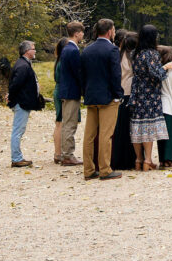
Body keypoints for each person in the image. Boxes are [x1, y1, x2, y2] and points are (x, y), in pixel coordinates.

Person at [79, 18, 122, 180]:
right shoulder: (112, 50)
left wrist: (85, 92)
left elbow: (81, 75)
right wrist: (118, 95)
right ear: (110, 31)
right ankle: (105, 169)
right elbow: (115, 75)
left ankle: (88, 169)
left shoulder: (87, 50)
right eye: (114, 30)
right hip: (108, 97)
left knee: (89, 135)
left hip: (91, 96)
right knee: (106, 134)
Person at [130, 25, 172, 171]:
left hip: (136, 92)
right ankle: (147, 161)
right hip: (149, 94)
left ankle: (138, 159)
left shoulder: (136, 53)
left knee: (137, 126)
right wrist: (165, 67)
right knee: (148, 127)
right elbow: (156, 74)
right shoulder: (152, 53)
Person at [54, 21, 84, 166]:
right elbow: (78, 72)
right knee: (70, 124)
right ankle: (68, 155)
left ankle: (67, 153)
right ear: (77, 33)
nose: (83, 35)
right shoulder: (72, 50)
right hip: (71, 91)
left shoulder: (66, 49)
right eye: (82, 32)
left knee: (67, 123)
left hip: (66, 90)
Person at [7, 40, 40, 168]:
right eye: (33, 48)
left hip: (23, 101)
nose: (35, 50)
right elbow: (15, 84)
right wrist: (11, 96)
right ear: (27, 51)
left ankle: (17, 157)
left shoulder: (24, 64)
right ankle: (16, 158)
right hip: (21, 103)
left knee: (19, 130)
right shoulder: (23, 66)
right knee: (18, 130)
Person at [110, 30, 138, 171]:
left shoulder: (117, 55)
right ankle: (129, 159)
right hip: (128, 93)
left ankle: (116, 158)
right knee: (129, 128)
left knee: (118, 128)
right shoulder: (131, 58)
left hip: (118, 94)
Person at [51, 38, 70, 166]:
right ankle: (58, 153)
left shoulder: (58, 60)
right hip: (62, 91)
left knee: (59, 123)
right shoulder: (63, 61)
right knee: (60, 123)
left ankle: (58, 152)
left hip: (58, 90)